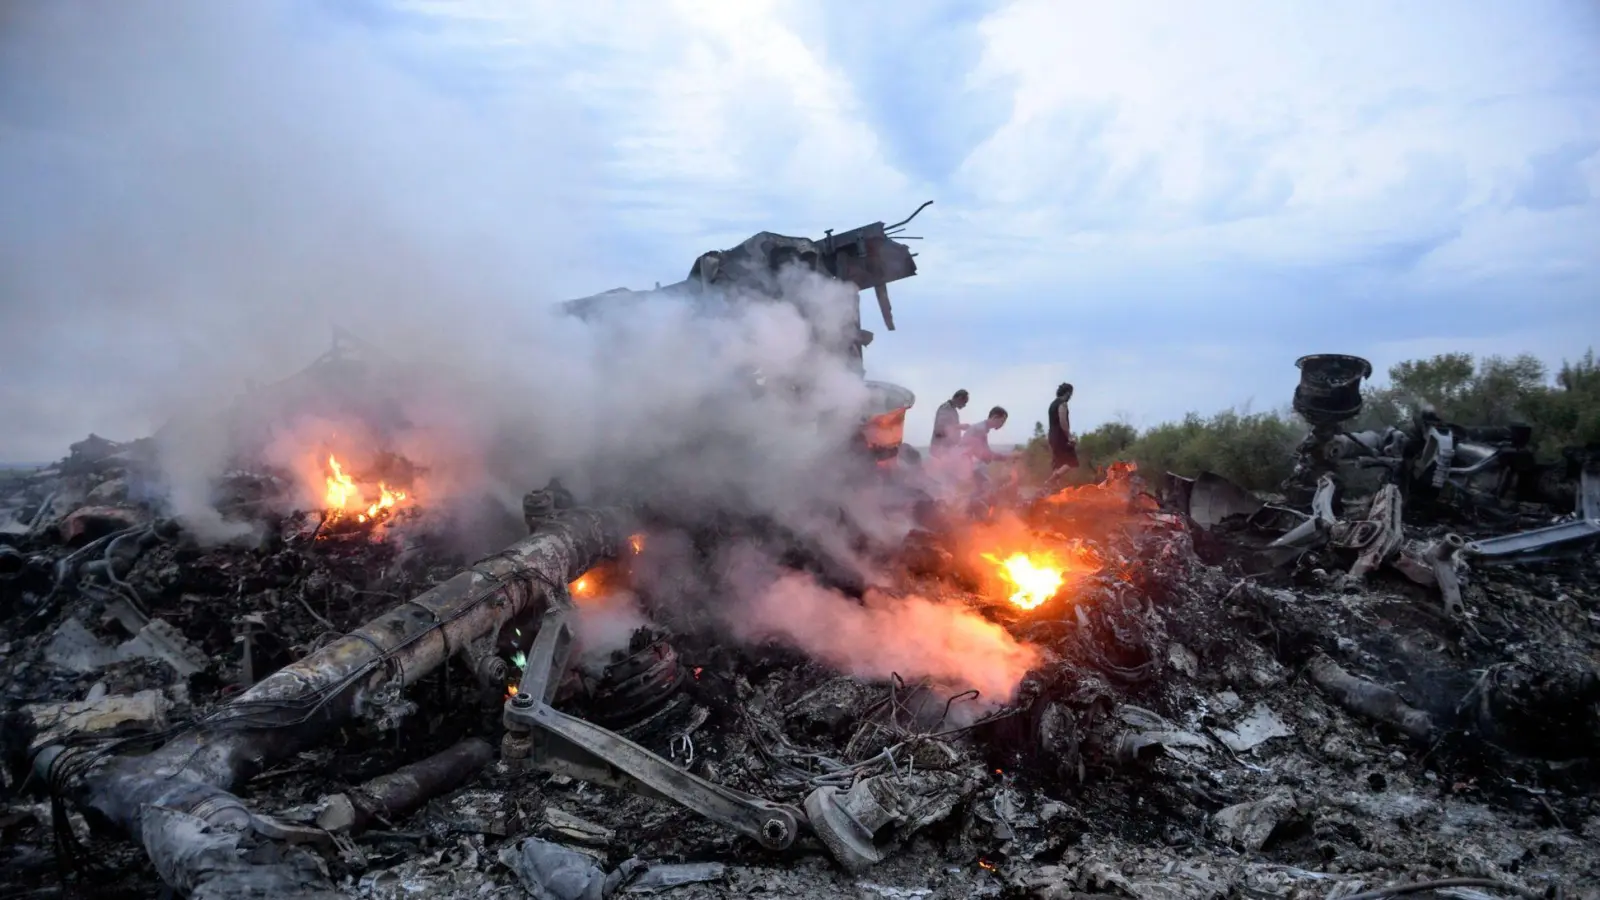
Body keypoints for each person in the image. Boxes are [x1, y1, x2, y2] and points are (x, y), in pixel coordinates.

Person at [1047, 383, 1078, 472]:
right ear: (1067, 393)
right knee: (1071, 461)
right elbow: (1063, 421)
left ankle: (1053, 485)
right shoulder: (1063, 404)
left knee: (1058, 462)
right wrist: (1069, 437)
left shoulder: (1052, 404)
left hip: (1052, 435)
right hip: (1060, 436)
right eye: (1070, 393)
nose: (1071, 396)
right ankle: (1050, 481)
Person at [930, 389, 969, 457]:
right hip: (940, 450)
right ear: (959, 398)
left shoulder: (953, 410)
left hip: (948, 449)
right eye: (965, 402)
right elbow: (940, 429)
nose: (964, 405)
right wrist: (960, 426)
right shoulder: (946, 408)